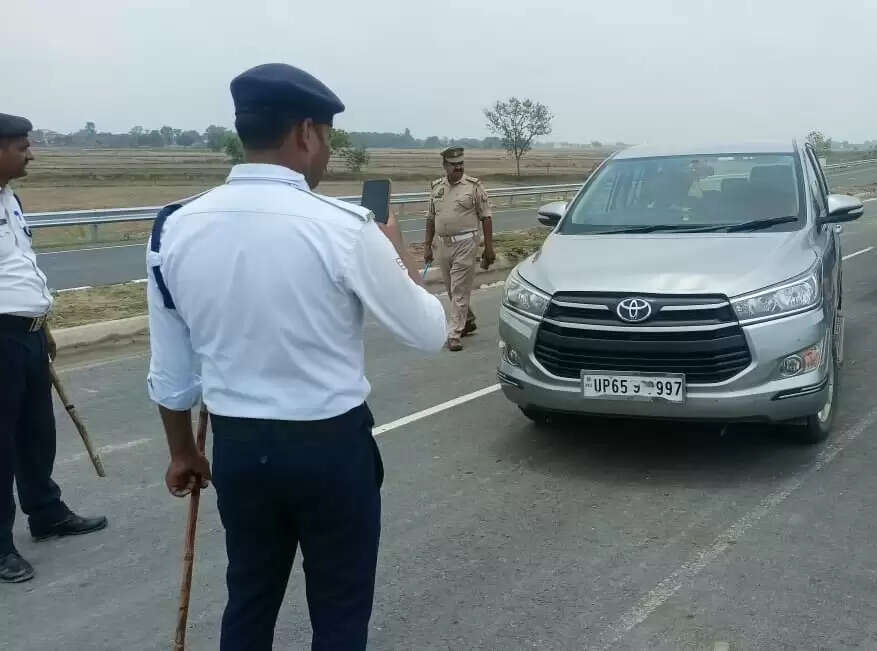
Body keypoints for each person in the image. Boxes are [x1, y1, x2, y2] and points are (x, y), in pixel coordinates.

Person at [146, 64, 446, 650]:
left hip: (238, 448)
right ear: (306, 132)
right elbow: (429, 332)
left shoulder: (173, 227)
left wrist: (182, 451)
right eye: (327, 137)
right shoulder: (345, 227)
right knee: (339, 610)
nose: (327, 152)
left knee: (249, 598)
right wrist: (400, 254)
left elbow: (172, 371)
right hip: (328, 449)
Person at [0, 113, 107, 584]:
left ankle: (46, 513)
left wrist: (41, 326)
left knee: (36, 434)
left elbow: (20, 266)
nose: (31, 153)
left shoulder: (10, 198)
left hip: (26, 334)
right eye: (21, 146)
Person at [424, 146, 495, 351]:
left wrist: (488, 248)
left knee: (458, 289)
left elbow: (486, 217)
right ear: (445, 166)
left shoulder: (474, 186)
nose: (459, 167)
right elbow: (430, 218)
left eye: (461, 164)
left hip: (466, 244)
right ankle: (467, 319)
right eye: (454, 164)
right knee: (452, 289)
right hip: (443, 245)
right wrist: (427, 246)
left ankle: (454, 333)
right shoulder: (437, 187)